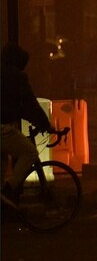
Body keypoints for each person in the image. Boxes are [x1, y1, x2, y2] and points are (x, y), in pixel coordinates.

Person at [1, 42, 55, 208]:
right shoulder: (17, 77)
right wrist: (45, 123)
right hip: (3, 128)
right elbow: (30, 104)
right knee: (30, 152)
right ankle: (9, 190)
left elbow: (14, 107)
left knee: (1, 162)